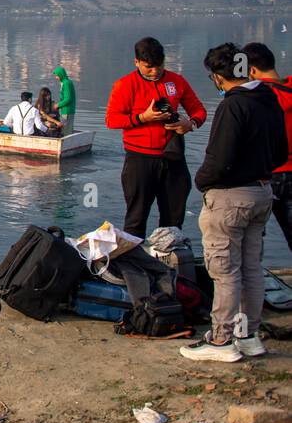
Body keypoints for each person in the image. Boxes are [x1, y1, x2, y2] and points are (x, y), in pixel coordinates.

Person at [182, 42, 288, 362]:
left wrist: (202, 181)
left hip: (230, 198)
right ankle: (248, 335)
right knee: (251, 268)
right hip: (261, 193)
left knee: (225, 270)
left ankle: (221, 340)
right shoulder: (268, 98)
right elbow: (281, 152)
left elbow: (219, 159)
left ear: (217, 77)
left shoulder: (232, 106)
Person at [105, 36, 206, 239]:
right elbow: (112, 120)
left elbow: (199, 110)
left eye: (159, 66)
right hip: (139, 160)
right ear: (137, 62)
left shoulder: (176, 81)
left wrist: (190, 123)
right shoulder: (125, 85)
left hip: (173, 157)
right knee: (136, 218)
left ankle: (169, 261)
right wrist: (143, 117)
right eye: (148, 67)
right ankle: (133, 264)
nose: (155, 71)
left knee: (173, 220)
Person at [243, 40, 292, 251]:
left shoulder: (255, 97)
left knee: (252, 241)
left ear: (251, 70)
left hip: (264, 176)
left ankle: (253, 281)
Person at [53, 65, 77, 133]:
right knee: (68, 129)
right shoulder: (65, 82)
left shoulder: (66, 83)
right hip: (66, 110)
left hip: (67, 111)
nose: (56, 78)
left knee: (65, 131)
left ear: (61, 75)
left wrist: (58, 105)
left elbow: (68, 99)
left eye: (57, 76)